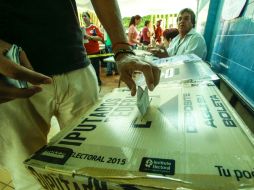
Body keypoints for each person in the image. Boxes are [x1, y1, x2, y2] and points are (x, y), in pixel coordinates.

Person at [0, 1, 160, 189]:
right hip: (11, 74)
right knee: (30, 180)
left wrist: (122, 48)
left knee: (100, 168)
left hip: (76, 64)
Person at [82, 12, 104, 86]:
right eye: (82, 16)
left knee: (95, 69)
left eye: (85, 16)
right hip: (86, 53)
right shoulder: (83, 29)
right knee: (88, 70)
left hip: (94, 52)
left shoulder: (94, 28)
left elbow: (100, 38)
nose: (84, 18)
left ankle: (98, 82)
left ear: (89, 17)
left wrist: (89, 37)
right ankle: (91, 84)